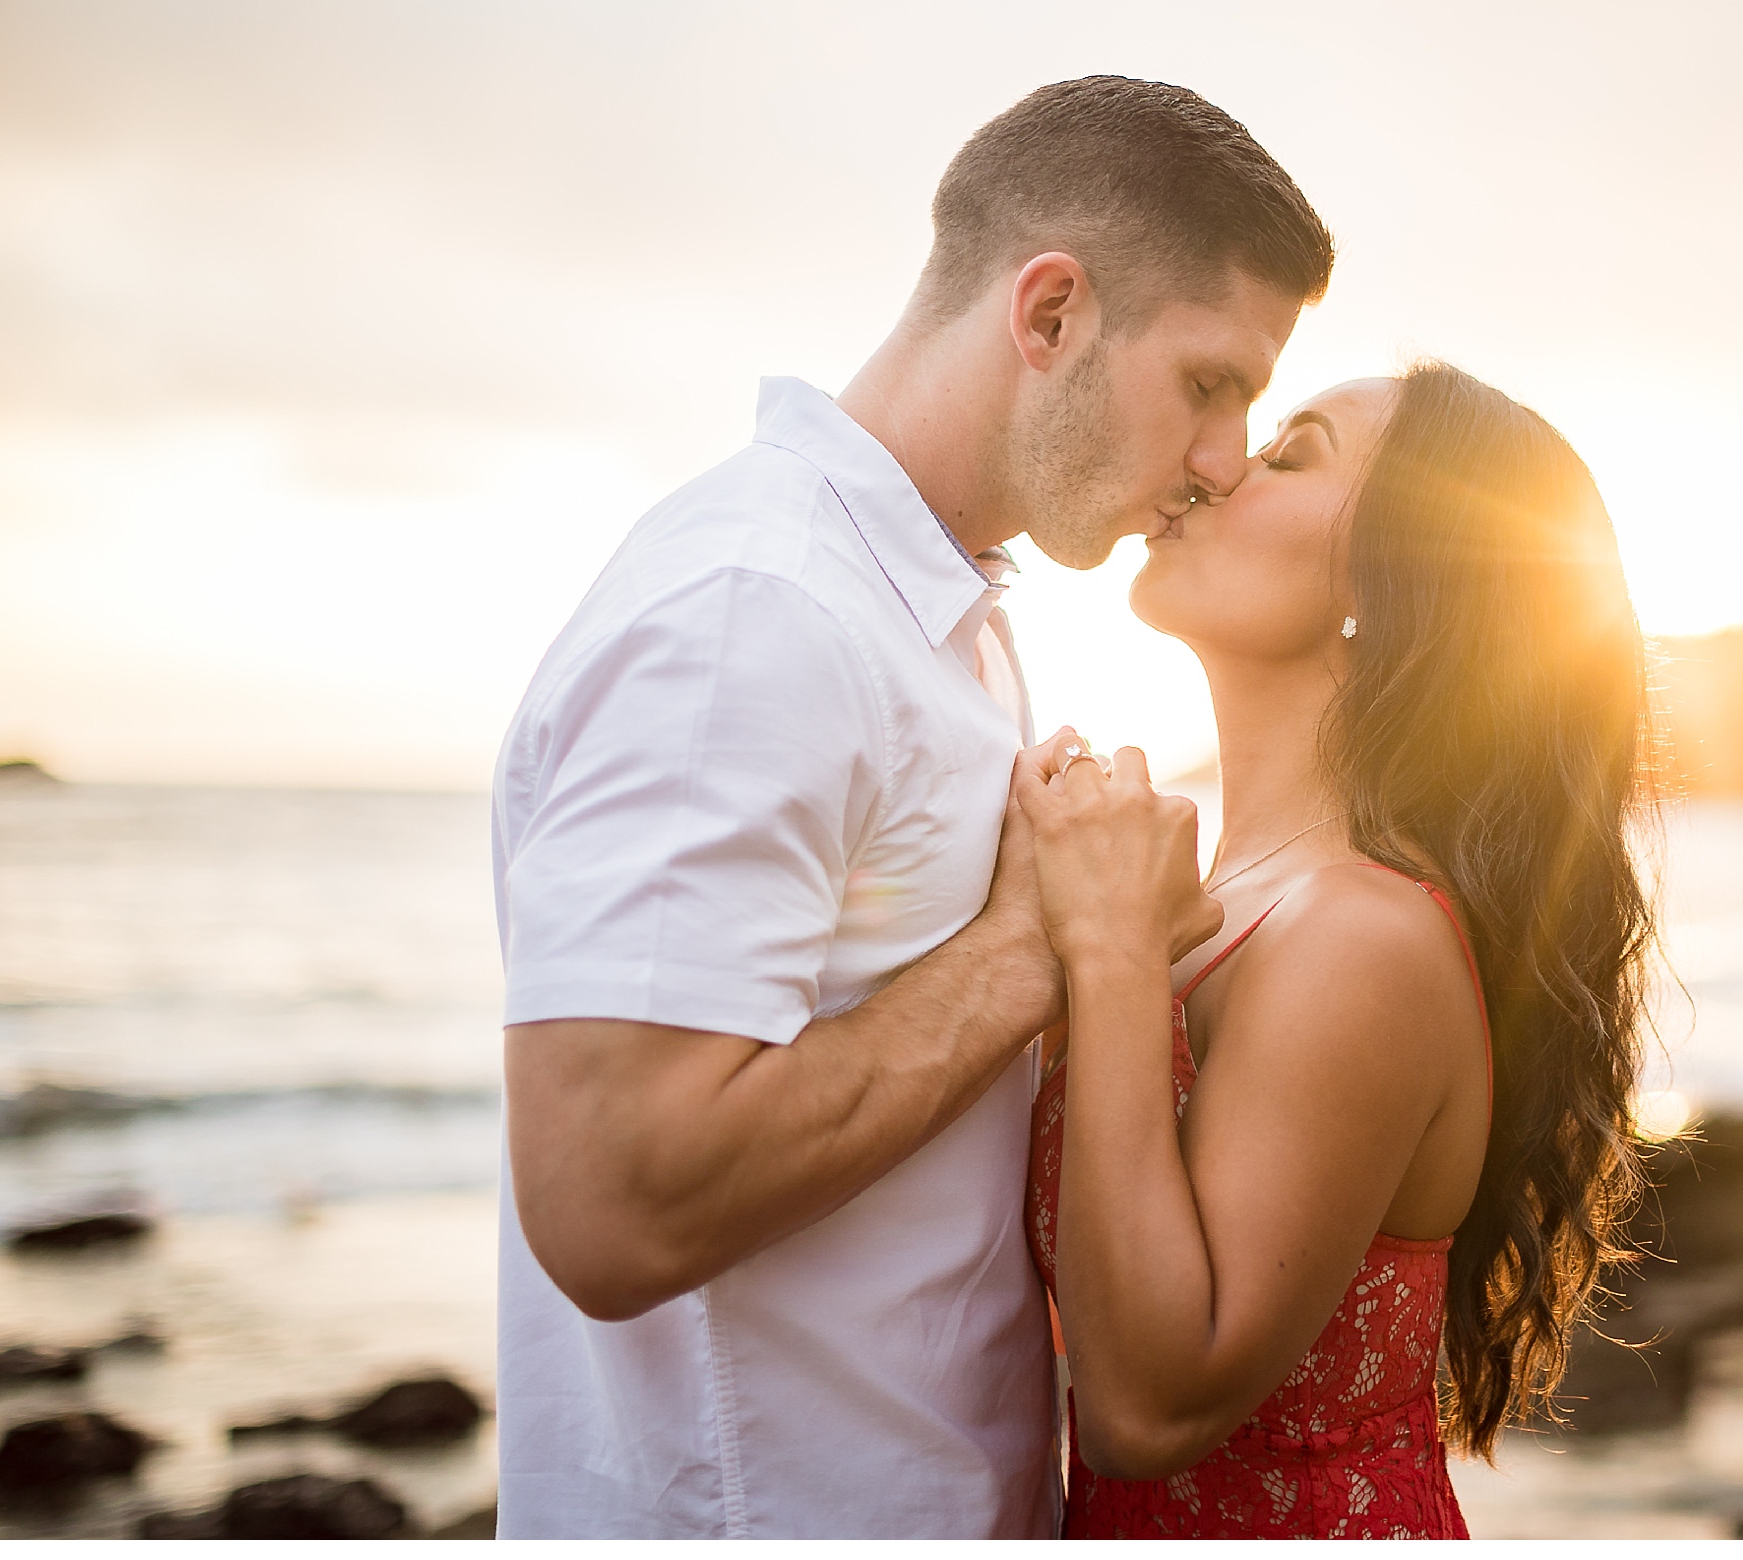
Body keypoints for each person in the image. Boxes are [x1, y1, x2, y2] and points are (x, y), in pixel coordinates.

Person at [489, 77, 1333, 1538]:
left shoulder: (940, 615)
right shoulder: (759, 612)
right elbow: (610, 1203)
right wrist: (1040, 948)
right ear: (1052, 314)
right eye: (1209, 384)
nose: (1222, 460)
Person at [1015, 364, 1660, 1538]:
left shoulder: (1361, 936)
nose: (1211, 471)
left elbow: (1146, 1414)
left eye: (1287, 455)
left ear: (1386, 587)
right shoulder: (1235, 899)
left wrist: (1109, 954)